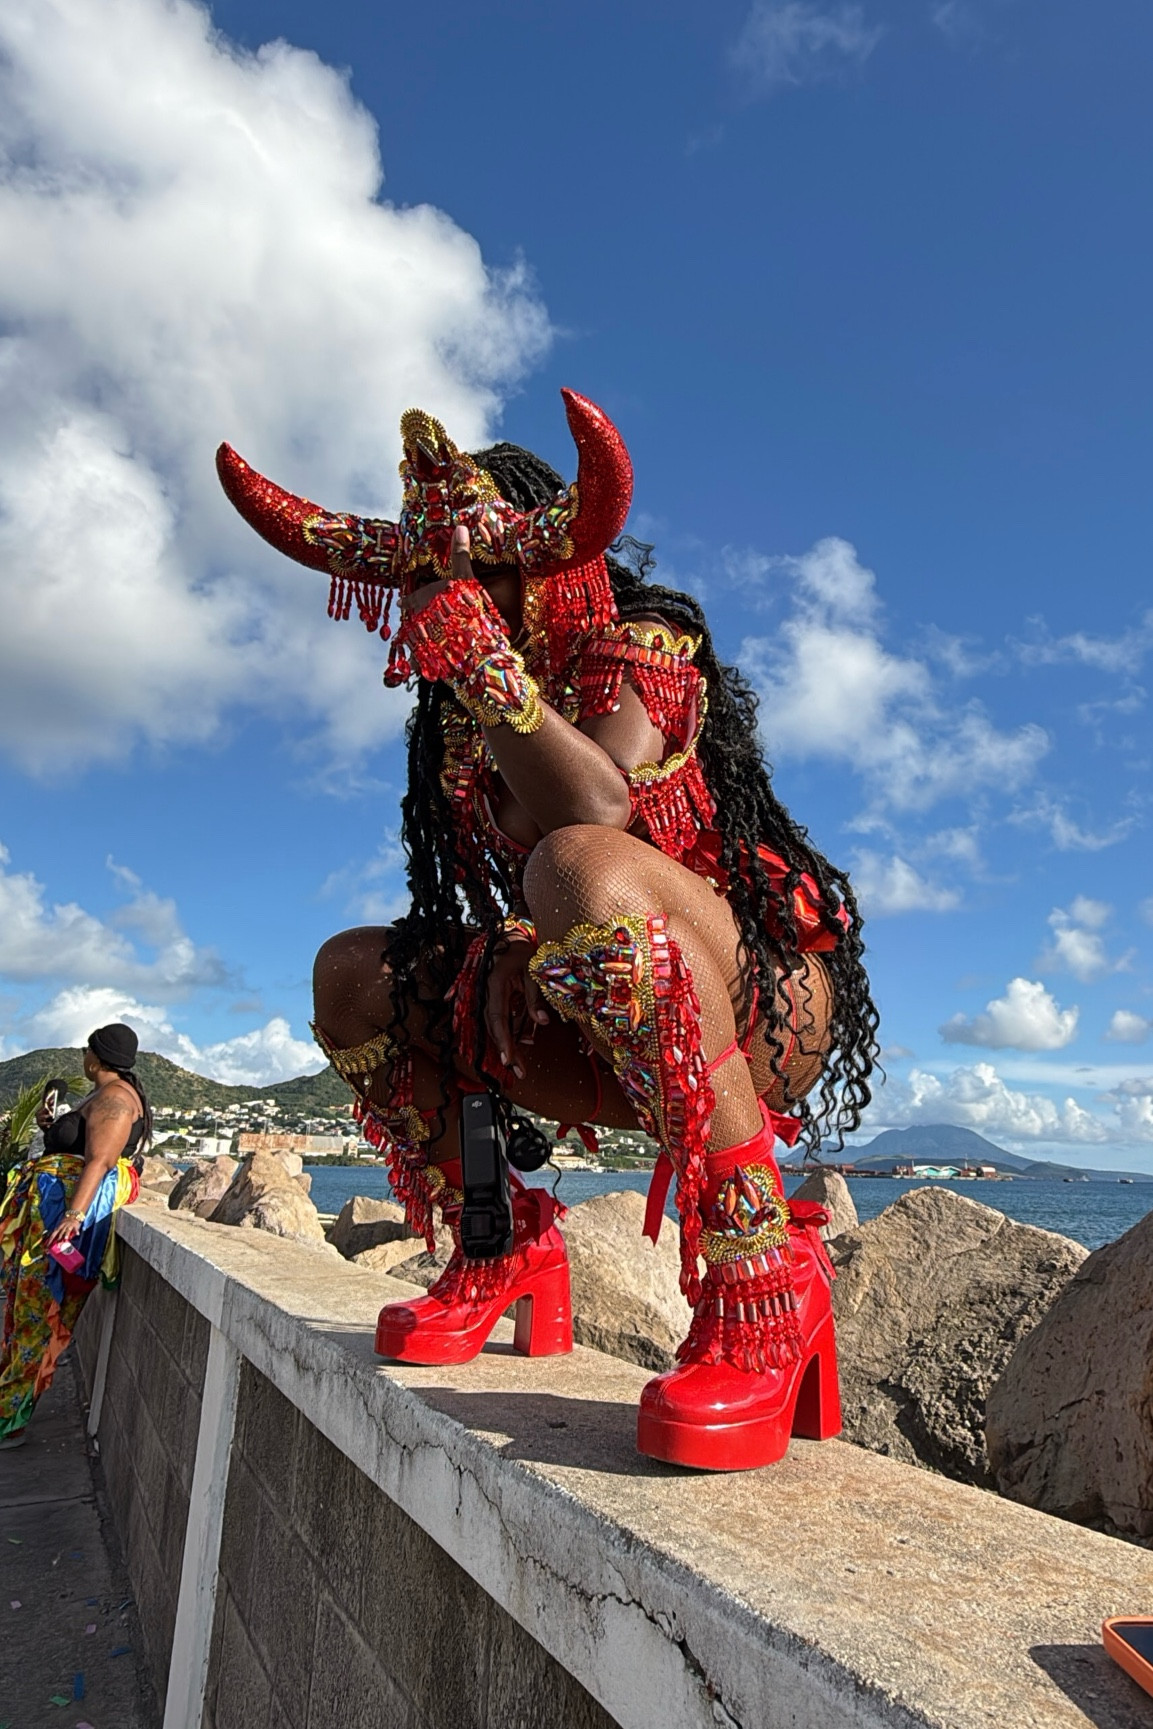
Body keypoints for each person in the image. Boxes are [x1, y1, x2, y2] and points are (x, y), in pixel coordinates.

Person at [217, 391, 879, 1471]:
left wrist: (488, 668)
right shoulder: (457, 739)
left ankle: (764, 1279)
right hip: (588, 993)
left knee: (579, 868)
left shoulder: (645, 642)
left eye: (485, 572)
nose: (463, 596)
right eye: (445, 584)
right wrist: (522, 941)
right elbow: (521, 878)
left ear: (543, 559)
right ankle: (503, 1239)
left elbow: (597, 813)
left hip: (754, 1006)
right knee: (352, 976)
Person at [0, 1025, 148, 1447]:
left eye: (87, 1049)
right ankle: (6, 1406)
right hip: (45, 1216)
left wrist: (73, 1214)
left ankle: (10, 1419)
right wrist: (55, 1127)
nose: (82, 1055)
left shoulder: (117, 1100)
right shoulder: (104, 1096)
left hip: (59, 1222)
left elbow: (100, 1160)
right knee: (25, 1309)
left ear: (96, 1057)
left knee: (37, 1312)